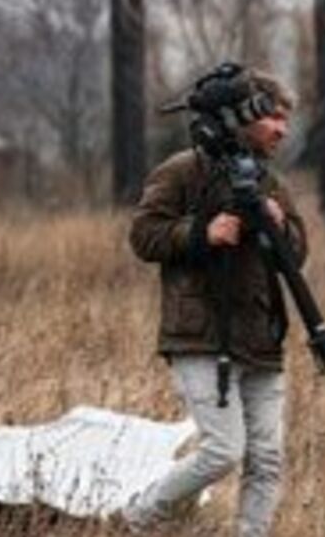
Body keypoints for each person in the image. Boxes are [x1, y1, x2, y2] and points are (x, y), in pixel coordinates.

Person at [121, 66, 309, 536]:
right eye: (274, 119)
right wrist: (201, 233)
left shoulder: (269, 182)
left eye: (287, 120)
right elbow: (143, 235)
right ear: (244, 117)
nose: (283, 130)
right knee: (223, 451)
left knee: (266, 459)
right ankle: (139, 516)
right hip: (200, 334)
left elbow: (298, 253)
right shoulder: (183, 171)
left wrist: (279, 224)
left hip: (261, 337)